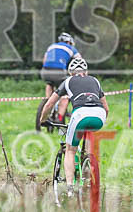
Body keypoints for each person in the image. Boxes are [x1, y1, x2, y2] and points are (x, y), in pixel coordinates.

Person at [40, 57, 109, 200]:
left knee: (70, 150)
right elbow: (106, 108)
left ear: (70, 72)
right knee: (88, 139)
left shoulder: (68, 81)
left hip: (80, 115)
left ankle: (70, 189)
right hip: (99, 115)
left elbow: (49, 104)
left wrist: (42, 120)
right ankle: (88, 165)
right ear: (86, 71)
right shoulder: (95, 81)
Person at [41, 32, 80, 122]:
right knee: (65, 94)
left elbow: (44, 60)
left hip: (45, 71)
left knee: (49, 83)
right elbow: (80, 61)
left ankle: (48, 101)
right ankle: (60, 118)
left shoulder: (52, 46)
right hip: (59, 72)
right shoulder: (71, 48)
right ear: (69, 42)